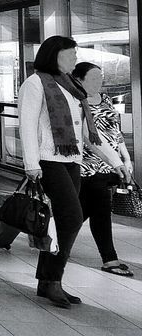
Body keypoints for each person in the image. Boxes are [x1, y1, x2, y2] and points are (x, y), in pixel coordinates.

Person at [19, 36, 126, 307]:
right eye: (70, 55)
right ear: (54, 56)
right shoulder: (35, 84)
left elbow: (89, 134)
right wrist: (31, 164)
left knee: (67, 219)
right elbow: (28, 126)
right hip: (47, 160)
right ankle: (53, 279)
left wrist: (116, 162)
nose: (74, 60)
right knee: (72, 216)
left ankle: (47, 281)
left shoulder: (72, 87)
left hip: (72, 161)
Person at [72, 61, 135, 278]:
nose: (99, 82)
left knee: (81, 211)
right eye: (93, 78)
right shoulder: (76, 102)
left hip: (110, 165)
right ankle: (109, 259)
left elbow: (114, 132)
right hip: (87, 166)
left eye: (101, 78)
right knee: (100, 210)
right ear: (78, 80)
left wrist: (125, 157)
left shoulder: (105, 99)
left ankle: (53, 237)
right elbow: (86, 137)